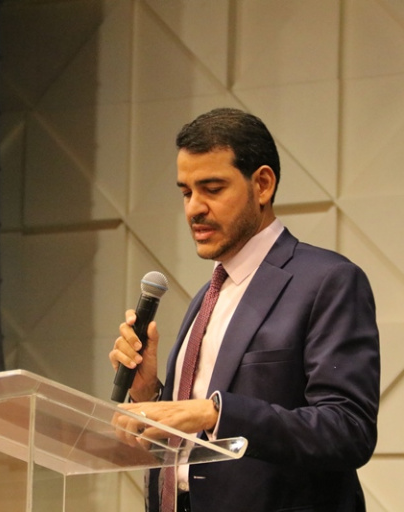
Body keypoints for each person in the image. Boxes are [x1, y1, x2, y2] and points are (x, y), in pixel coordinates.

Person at [109, 108, 380, 512]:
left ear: (263, 185)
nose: (194, 208)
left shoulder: (328, 280)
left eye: (212, 189)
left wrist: (215, 413)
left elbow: (347, 430)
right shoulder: (207, 296)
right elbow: (190, 436)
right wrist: (149, 392)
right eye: (186, 192)